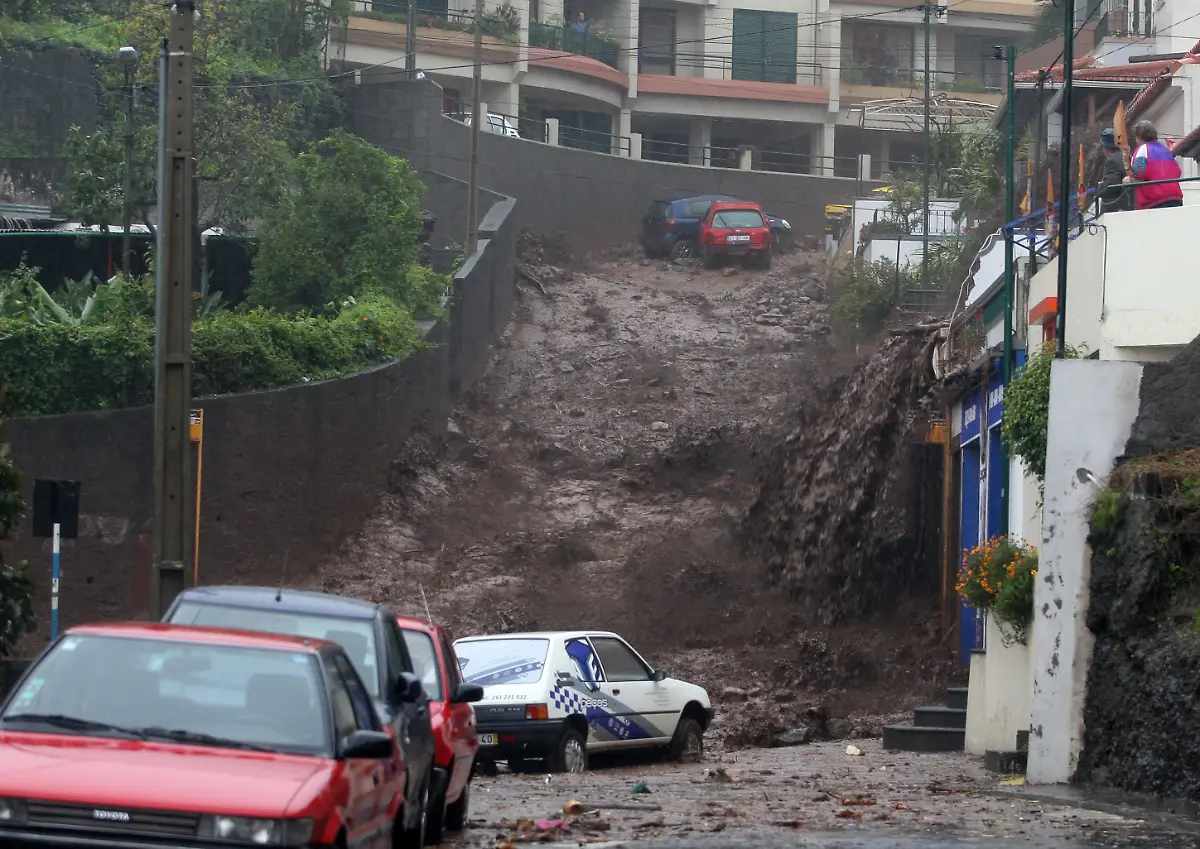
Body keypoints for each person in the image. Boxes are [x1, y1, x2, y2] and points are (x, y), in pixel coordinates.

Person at [1123, 119, 1183, 210]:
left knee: (1126, 181)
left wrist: (1129, 172)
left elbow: (1138, 172)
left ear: (1139, 136)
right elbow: (1178, 172)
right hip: (1175, 197)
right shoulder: (1166, 150)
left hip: (1154, 200)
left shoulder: (1143, 149)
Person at [1096, 127, 1132, 214]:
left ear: (1106, 147)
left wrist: (1099, 188)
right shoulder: (1126, 156)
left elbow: (1110, 187)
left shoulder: (1112, 160)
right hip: (1127, 204)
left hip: (1115, 207)